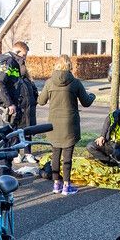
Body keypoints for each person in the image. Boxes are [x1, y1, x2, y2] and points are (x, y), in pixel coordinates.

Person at [37, 55, 96, 195]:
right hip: (70, 124)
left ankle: (56, 184)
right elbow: (86, 102)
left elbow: (41, 101)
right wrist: (92, 96)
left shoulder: (49, 82)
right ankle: (66, 185)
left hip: (54, 124)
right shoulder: (75, 83)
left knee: (55, 154)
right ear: (70, 66)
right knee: (67, 156)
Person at [0, 41, 29, 173]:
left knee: (12, 137)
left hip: (10, 104)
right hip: (7, 105)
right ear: (17, 52)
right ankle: (3, 172)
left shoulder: (10, 61)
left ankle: (7, 168)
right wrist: (9, 104)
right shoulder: (8, 61)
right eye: (24, 55)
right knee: (10, 138)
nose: (24, 58)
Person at [14, 62, 39, 164]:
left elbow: (35, 92)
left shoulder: (28, 80)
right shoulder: (15, 80)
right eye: (21, 67)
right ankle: (17, 154)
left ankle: (28, 153)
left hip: (29, 112)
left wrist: (34, 102)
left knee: (28, 133)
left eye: (24, 66)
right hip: (20, 112)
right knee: (16, 134)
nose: (23, 68)